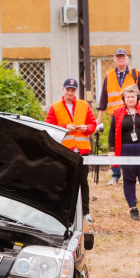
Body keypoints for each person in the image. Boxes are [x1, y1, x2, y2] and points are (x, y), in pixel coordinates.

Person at [46, 78, 97, 223]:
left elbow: (92, 125)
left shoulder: (84, 105)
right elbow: (49, 129)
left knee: (83, 182)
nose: (70, 92)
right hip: (64, 151)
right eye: (67, 89)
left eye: (72, 90)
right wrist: (64, 128)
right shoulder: (54, 107)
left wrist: (87, 128)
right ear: (63, 90)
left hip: (82, 151)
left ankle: (85, 213)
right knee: (64, 182)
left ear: (76, 91)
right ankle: (64, 212)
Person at [96, 48, 140, 186]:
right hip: (116, 115)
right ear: (114, 59)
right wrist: (100, 115)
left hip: (132, 114)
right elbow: (103, 96)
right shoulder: (109, 75)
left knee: (133, 144)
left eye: (123, 57)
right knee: (114, 144)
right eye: (118, 57)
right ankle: (115, 175)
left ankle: (136, 175)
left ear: (127, 59)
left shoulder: (135, 73)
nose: (120, 59)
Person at [107, 85, 140, 221]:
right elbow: (112, 132)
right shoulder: (117, 112)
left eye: (132, 96)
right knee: (129, 179)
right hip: (125, 149)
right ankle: (133, 207)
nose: (130, 99)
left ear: (137, 98)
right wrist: (112, 150)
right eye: (127, 97)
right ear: (123, 99)